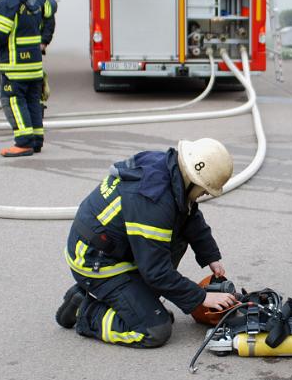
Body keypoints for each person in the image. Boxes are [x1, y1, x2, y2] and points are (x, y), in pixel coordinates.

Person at [54, 138, 238, 348]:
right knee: (154, 329)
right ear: (193, 178)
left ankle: (137, 303)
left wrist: (210, 256)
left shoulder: (170, 169)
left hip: (115, 248)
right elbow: (156, 271)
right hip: (95, 261)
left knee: (175, 242)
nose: (206, 193)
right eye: (205, 188)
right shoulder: (153, 201)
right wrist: (201, 298)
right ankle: (84, 311)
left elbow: (188, 214)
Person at [0, 0, 55, 157]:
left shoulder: (8, 3)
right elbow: (50, 14)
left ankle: (23, 142)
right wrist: (44, 40)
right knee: (33, 99)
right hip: (34, 64)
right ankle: (36, 140)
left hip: (14, 65)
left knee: (14, 100)